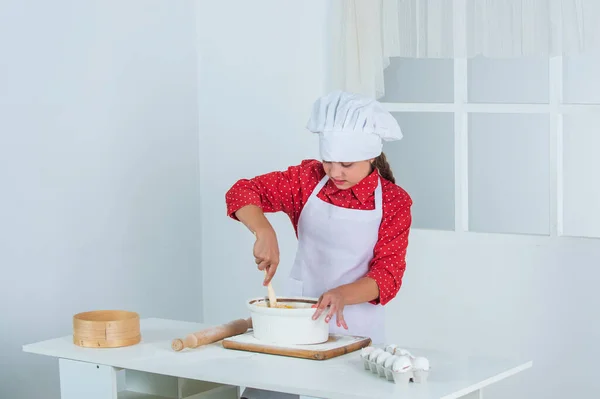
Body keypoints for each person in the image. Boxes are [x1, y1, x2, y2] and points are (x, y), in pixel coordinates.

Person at [225, 90, 412, 399]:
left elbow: (387, 277)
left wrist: (341, 294)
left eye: (346, 164)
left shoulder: (393, 201)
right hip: (298, 322)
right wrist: (264, 231)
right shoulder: (308, 179)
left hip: (356, 328)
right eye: (328, 161)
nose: (335, 172)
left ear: (370, 156)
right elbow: (243, 191)